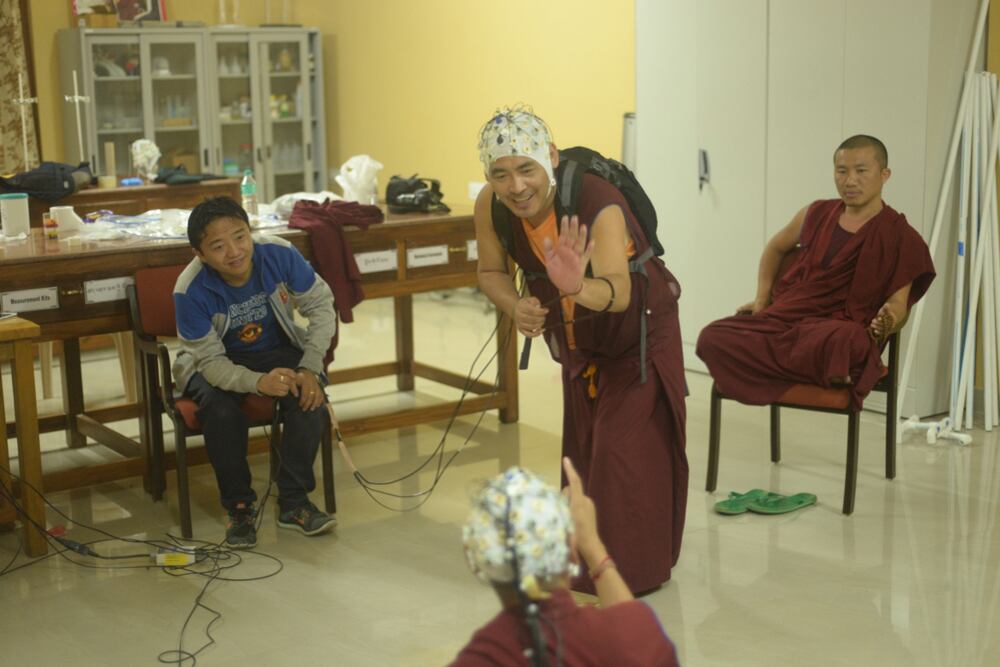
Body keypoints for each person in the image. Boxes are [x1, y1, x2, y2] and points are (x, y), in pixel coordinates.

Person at [473, 106, 688, 595]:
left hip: (637, 334)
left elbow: (620, 292)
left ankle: (632, 574)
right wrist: (515, 305)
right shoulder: (491, 204)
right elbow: (490, 271)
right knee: (584, 459)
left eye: (526, 169)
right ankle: (588, 564)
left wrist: (574, 287)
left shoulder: (597, 200)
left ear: (550, 157)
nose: (516, 187)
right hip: (580, 342)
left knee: (621, 456)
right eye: (500, 174)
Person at [696, 135, 935, 409]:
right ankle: (815, 369)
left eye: (861, 171)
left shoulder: (899, 235)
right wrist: (762, 299)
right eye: (842, 171)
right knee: (712, 337)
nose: (850, 180)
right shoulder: (816, 213)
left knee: (847, 341)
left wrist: (888, 319)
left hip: (835, 330)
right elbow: (775, 248)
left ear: (884, 175)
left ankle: (774, 366)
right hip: (786, 320)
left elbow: (898, 303)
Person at [173, 196, 338, 548]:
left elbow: (322, 306)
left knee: (309, 399)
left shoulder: (278, 253)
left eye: (240, 237)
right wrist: (258, 383)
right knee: (220, 412)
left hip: (274, 349)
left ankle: (293, 502)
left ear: (251, 232)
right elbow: (211, 363)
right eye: (218, 246)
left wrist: (310, 367)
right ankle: (239, 508)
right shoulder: (189, 290)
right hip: (214, 362)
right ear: (199, 254)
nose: (234, 252)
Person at [451, 458, 679, 667]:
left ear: (476, 564)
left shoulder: (475, 660)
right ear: (571, 549)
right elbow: (630, 627)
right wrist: (593, 547)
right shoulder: (640, 639)